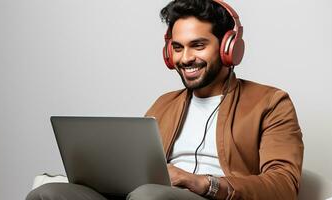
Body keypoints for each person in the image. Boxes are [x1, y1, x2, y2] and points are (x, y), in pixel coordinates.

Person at [26, 0, 303, 200]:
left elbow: (283, 186)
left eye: (198, 45)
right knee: (48, 193)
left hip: (202, 197)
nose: (185, 59)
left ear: (229, 48)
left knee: (149, 196)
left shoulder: (270, 102)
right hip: (145, 195)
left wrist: (202, 183)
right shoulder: (164, 103)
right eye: (178, 48)